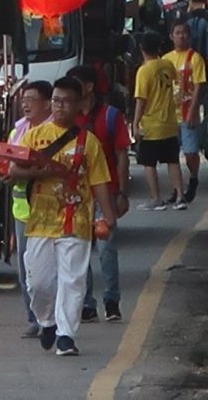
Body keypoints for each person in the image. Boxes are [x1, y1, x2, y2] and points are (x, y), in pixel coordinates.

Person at [10, 77, 116, 357]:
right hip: (39, 222)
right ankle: (47, 320)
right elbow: (13, 172)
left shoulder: (88, 142)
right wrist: (39, 173)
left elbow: (100, 181)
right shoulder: (33, 136)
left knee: (73, 280)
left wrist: (108, 216)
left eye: (67, 101)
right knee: (38, 282)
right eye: (56, 100)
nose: (60, 106)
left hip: (75, 220)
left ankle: (67, 335)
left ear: (80, 105)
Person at [68, 66, 130, 324]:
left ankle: (112, 301)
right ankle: (87, 303)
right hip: (78, 195)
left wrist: (122, 193)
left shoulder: (110, 116)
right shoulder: (66, 121)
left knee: (106, 249)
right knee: (81, 249)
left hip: (106, 192)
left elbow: (122, 155)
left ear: (90, 87)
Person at [7, 81, 53, 338]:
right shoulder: (18, 132)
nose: (25, 104)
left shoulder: (54, 132)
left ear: (47, 103)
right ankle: (34, 317)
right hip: (22, 209)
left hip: (51, 210)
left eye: (31, 99)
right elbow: (8, 163)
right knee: (27, 269)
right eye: (23, 99)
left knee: (50, 270)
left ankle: (54, 317)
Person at [133, 32, 184, 211]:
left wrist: (135, 123)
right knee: (172, 160)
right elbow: (178, 83)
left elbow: (141, 100)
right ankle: (180, 196)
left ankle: (156, 198)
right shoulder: (167, 65)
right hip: (170, 122)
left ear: (141, 48)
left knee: (148, 162)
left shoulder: (144, 71)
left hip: (152, 124)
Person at [162, 22, 207, 204]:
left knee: (190, 153)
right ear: (171, 36)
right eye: (177, 33)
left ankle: (193, 178)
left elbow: (199, 86)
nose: (181, 36)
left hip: (188, 112)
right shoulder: (165, 60)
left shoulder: (195, 58)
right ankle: (177, 188)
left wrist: (193, 111)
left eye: (184, 33)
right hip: (170, 116)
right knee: (171, 156)